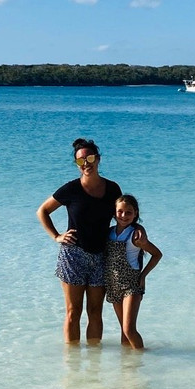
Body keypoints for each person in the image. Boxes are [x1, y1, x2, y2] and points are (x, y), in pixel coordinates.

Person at [37, 138, 123, 344]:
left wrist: (135, 235)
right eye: (80, 161)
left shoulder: (112, 189)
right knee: (73, 311)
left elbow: (122, 217)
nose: (86, 164)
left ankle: (94, 366)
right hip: (73, 256)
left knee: (95, 312)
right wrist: (57, 236)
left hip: (101, 255)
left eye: (90, 158)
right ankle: (72, 367)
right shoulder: (71, 189)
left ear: (98, 159)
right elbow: (43, 211)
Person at [104, 195, 162, 350]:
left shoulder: (136, 235)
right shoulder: (108, 232)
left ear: (135, 213)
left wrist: (143, 275)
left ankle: (143, 359)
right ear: (114, 212)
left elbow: (157, 254)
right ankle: (128, 367)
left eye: (129, 212)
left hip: (132, 285)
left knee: (129, 329)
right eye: (120, 212)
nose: (124, 216)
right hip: (113, 285)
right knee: (123, 331)